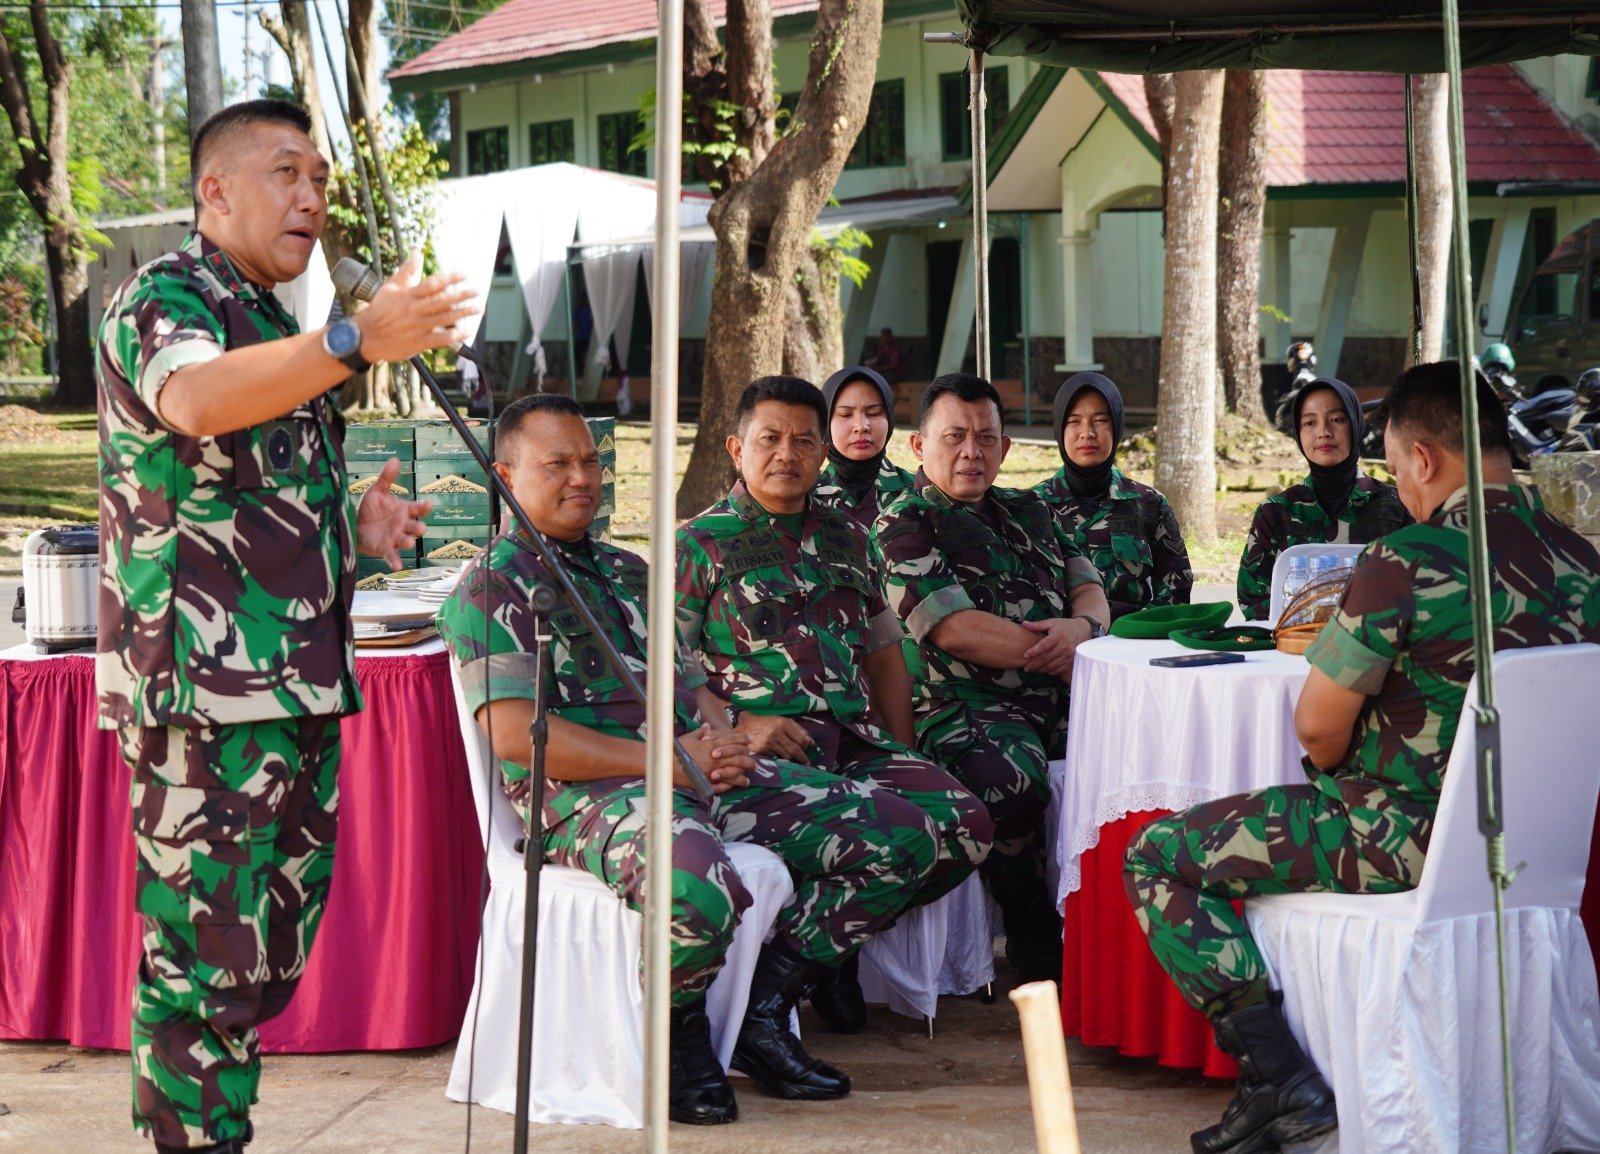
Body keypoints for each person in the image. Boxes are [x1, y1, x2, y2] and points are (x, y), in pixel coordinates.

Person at [96, 100, 478, 1154]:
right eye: (284, 173)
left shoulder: (273, 323)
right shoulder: (170, 292)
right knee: (201, 960)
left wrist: (353, 526)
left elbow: (234, 502)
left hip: (292, 683)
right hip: (202, 690)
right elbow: (193, 403)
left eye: (318, 177)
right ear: (215, 190)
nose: (311, 196)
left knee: (263, 954)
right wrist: (355, 337)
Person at [1124, 360, 1600, 1154]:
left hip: (1397, 840)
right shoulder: (1585, 561)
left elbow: (1316, 726)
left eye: (1395, 467)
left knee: (1157, 857)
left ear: (1422, 460)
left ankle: (1278, 1081)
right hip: (1532, 850)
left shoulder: (1403, 559)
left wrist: (1343, 779)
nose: (1401, 489)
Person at [437, 394, 942, 1124]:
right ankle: (680, 1035)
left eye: (591, 460)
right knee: (698, 891)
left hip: (686, 769)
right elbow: (519, 737)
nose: (583, 477)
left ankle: (766, 1010)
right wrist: (667, 765)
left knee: (903, 834)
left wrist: (726, 740)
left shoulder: (627, 568)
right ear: (507, 474)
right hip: (585, 795)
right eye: (559, 464)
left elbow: (690, 687)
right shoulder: (493, 586)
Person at [676, 376, 995, 1032]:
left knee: (967, 826)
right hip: (759, 755)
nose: (785, 454)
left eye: (802, 441)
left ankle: (817, 955)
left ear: (823, 454)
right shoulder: (699, 544)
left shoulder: (849, 534)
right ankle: (776, 1000)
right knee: (897, 836)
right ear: (737, 448)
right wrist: (741, 723)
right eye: (769, 439)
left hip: (851, 742)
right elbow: (667, 675)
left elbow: (885, 655)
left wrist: (901, 750)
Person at [875, 373, 1111, 981]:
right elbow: (953, 628)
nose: (970, 452)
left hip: (1064, 693)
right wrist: (1060, 647)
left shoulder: (1032, 510)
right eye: (953, 436)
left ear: (1006, 448)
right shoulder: (903, 524)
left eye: (985, 438)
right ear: (918, 446)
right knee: (1010, 780)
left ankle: (1122, 923)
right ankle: (1031, 922)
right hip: (964, 704)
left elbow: (1089, 585)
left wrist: (1081, 629)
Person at [1236, 376, 1411, 620]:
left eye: (1337, 420)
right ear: (1298, 432)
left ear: (1356, 425)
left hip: (1375, 648)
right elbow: (1252, 599)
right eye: (1309, 423)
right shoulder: (1275, 512)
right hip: (1292, 647)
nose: (1323, 432)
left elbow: (1418, 588)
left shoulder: (1399, 505)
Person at [1035, 372, 1193, 620]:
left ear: (1117, 427)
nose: (1087, 433)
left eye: (1100, 420)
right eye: (1074, 421)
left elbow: (1177, 592)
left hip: (1130, 645)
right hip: (1059, 646)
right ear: (1059, 429)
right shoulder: (1031, 507)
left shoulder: (1149, 504)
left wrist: (1130, 629)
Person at [812, 364, 916, 535]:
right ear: (825, 422)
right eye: (845, 414)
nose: (861, 426)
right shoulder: (804, 498)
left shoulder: (917, 492)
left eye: (874, 413)